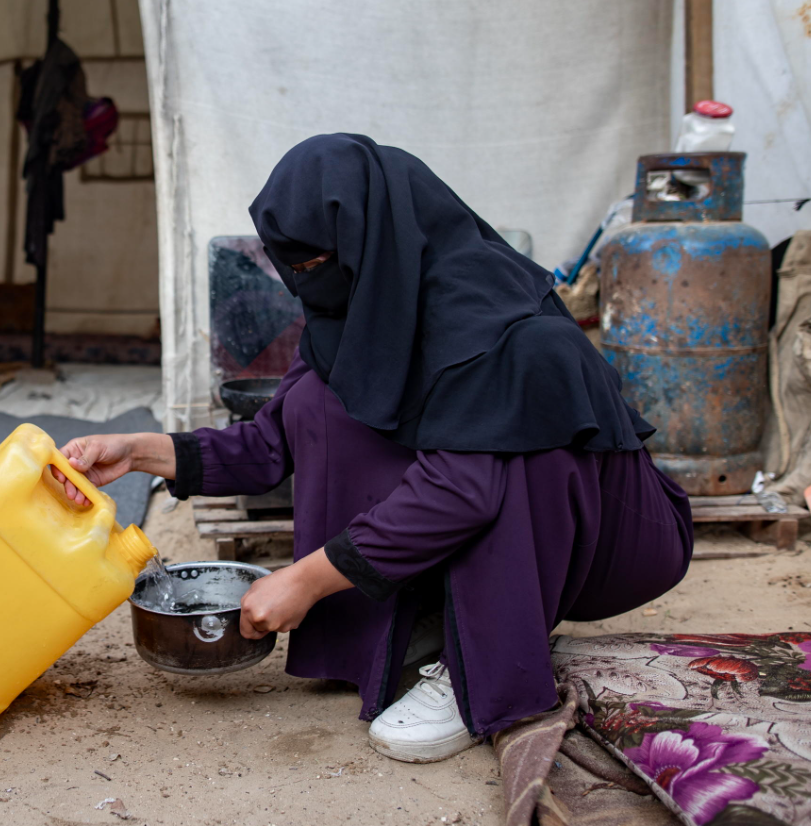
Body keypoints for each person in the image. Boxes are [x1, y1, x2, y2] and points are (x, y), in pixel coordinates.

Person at [53, 134, 693, 764]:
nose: (304, 285)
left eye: (313, 266)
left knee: (520, 433)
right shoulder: (365, 306)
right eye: (291, 268)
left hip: (616, 542)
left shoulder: (500, 325)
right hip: (502, 511)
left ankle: (480, 674)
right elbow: (273, 440)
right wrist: (137, 451)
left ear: (369, 242)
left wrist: (304, 580)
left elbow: (459, 492)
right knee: (322, 400)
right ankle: (398, 631)